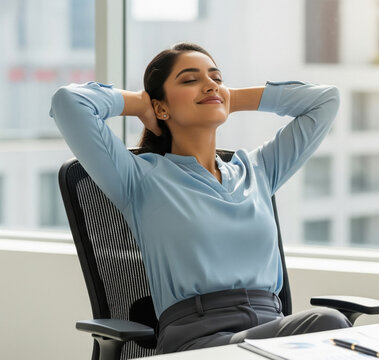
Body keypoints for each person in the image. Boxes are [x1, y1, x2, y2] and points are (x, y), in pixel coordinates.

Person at [49, 42, 350, 354]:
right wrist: (141, 103)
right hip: (196, 342)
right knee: (329, 323)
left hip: (271, 331)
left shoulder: (258, 170)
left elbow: (325, 100)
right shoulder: (139, 178)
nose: (209, 84)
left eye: (216, 78)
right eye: (190, 80)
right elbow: (68, 102)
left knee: (328, 329)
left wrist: (230, 97)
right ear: (161, 108)